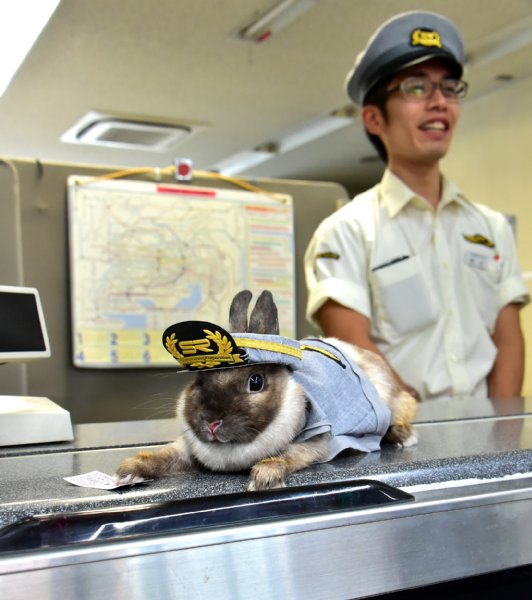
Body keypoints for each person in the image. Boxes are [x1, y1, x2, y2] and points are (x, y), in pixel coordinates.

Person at [304, 11, 529, 401]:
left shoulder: (492, 229)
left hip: (492, 438)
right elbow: (356, 351)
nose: (440, 102)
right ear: (374, 119)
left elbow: (508, 342)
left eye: (449, 87)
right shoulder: (346, 231)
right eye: (416, 88)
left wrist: (501, 433)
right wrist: (425, 433)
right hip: (402, 440)